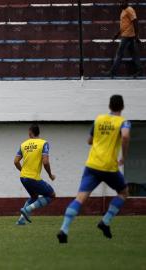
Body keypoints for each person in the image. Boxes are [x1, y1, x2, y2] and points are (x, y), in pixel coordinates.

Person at [57, 95, 131, 244]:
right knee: (123, 193)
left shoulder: (98, 119)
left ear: (109, 106)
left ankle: (64, 229)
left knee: (80, 198)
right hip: (109, 166)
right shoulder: (124, 122)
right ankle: (105, 221)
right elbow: (125, 136)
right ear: (122, 107)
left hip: (92, 165)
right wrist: (124, 155)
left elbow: (89, 140)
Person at [14, 124, 56, 225]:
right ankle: (27, 209)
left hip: (23, 177)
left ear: (30, 132)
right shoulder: (44, 143)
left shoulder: (23, 144)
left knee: (34, 197)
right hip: (33, 178)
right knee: (51, 195)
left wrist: (23, 171)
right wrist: (50, 174)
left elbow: (15, 161)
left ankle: (21, 220)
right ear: (38, 132)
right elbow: (45, 162)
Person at [105, 0, 143, 77]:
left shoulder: (129, 9)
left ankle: (112, 72)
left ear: (127, 2)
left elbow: (135, 21)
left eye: (122, 2)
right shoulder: (123, 10)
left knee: (119, 53)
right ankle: (140, 70)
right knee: (134, 54)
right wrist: (117, 34)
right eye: (119, 2)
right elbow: (124, 25)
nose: (120, 4)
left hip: (127, 35)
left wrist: (136, 36)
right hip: (126, 34)